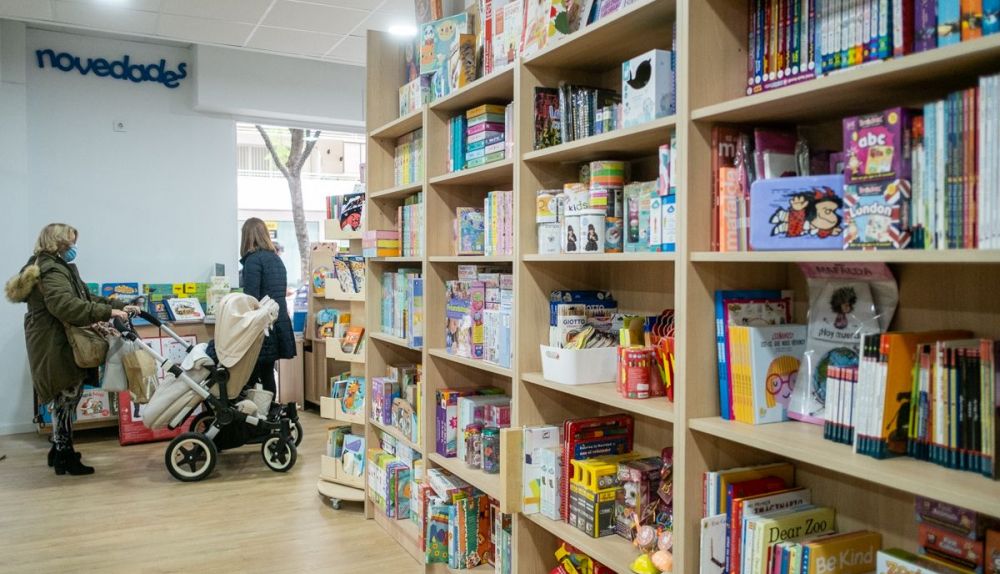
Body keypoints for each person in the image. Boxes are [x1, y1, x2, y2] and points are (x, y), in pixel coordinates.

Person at [5, 223, 138, 476]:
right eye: (70, 242)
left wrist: (120, 304)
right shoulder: (51, 270)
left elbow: (85, 297)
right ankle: (65, 455)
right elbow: (65, 306)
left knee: (66, 397)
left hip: (53, 340)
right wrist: (108, 312)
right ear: (58, 243)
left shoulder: (52, 266)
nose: (74, 247)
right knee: (66, 396)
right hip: (56, 342)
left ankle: (58, 450)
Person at [239, 218, 296, 399]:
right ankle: (271, 412)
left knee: (252, 374)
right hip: (278, 321)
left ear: (246, 236)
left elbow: (251, 298)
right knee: (268, 371)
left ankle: (256, 416)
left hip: (262, 325)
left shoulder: (253, 261)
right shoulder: (276, 259)